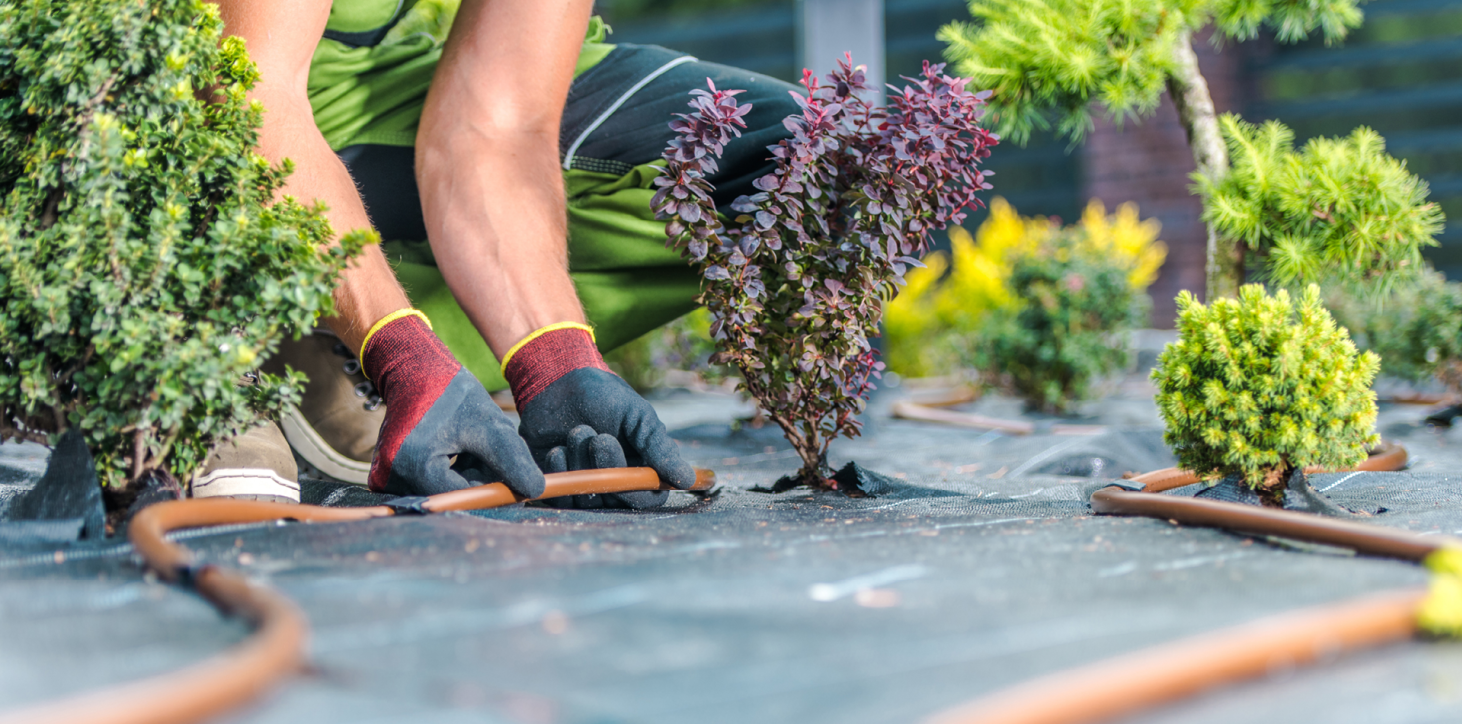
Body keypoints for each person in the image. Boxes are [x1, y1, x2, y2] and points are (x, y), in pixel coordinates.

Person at [198, 0, 798, 508]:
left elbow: (498, 127)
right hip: (206, 91)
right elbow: (247, 92)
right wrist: (400, 355)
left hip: (375, 95)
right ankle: (235, 322)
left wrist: (555, 359)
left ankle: (338, 335)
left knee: (816, 158)